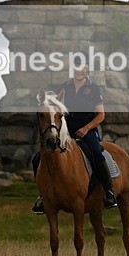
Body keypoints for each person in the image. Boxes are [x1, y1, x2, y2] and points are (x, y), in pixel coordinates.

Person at [32, 54, 117, 214]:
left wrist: (86, 128)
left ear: (87, 69)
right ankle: (44, 196)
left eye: (83, 67)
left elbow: (101, 115)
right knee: (38, 158)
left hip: (87, 130)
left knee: (96, 153)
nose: (80, 70)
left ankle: (109, 191)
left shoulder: (94, 89)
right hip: (66, 131)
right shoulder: (64, 87)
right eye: (77, 67)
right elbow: (54, 109)